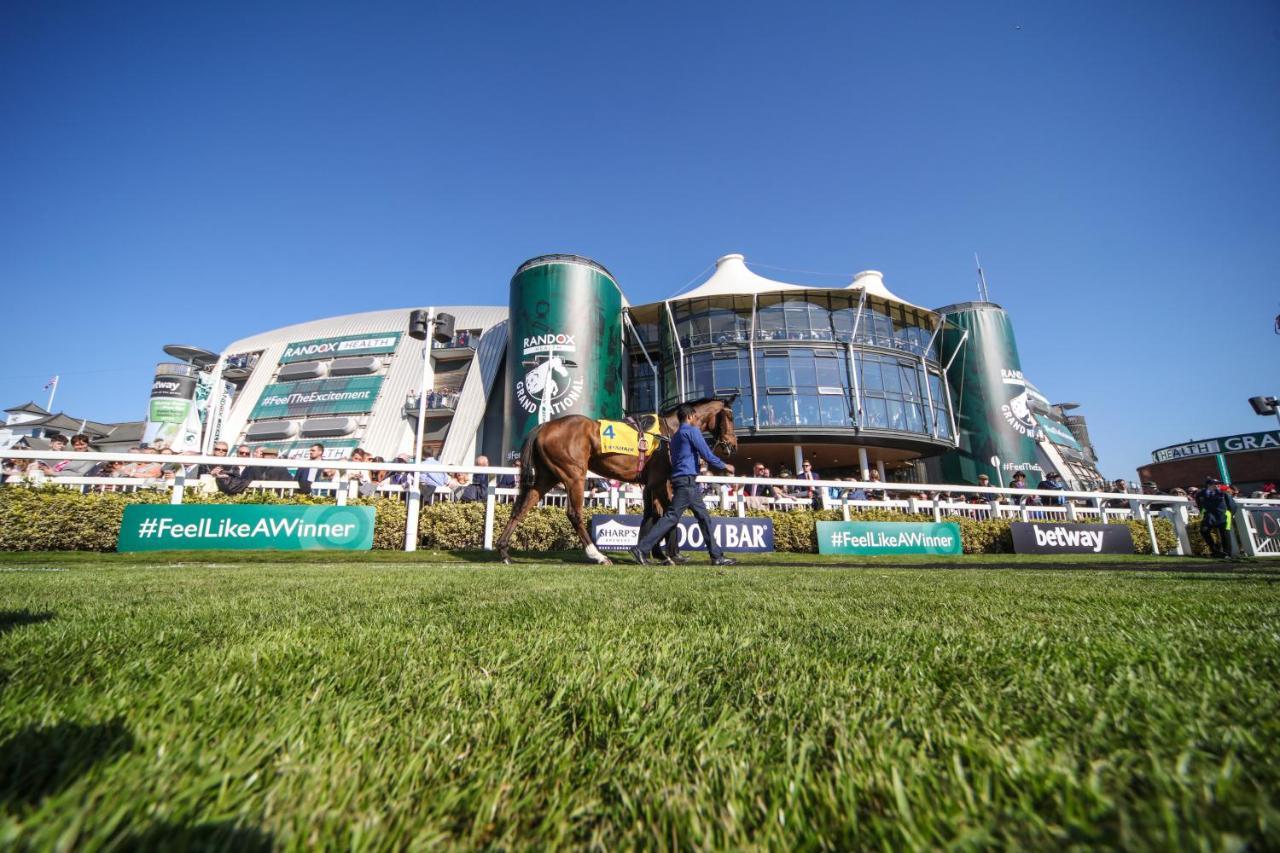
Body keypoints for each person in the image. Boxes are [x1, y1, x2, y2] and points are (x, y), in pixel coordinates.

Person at [630, 403, 736, 566]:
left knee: (702, 518)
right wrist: (724, 465)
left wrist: (694, 460)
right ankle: (641, 548)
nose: (696, 420)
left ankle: (717, 556)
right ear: (689, 417)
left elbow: (682, 455)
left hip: (681, 479)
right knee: (673, 517)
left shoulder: (677, 435)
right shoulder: (693, 431)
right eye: (695, 417)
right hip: (687, 482)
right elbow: (706, 453)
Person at [1195, 477, 1238, 558]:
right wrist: (1204, 513)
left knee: (1225, 534)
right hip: (1210, 516)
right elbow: (1200, 505)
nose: (1218, 485)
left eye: (1219, 484)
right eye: (1216, 484)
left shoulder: (1224, 494)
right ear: (1209, 485)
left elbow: (1233, 506)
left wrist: (1230, 514)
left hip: (1224, 515)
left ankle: (1227, 553)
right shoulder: (1200, 494)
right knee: (1204, 530)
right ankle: (1215, 551)